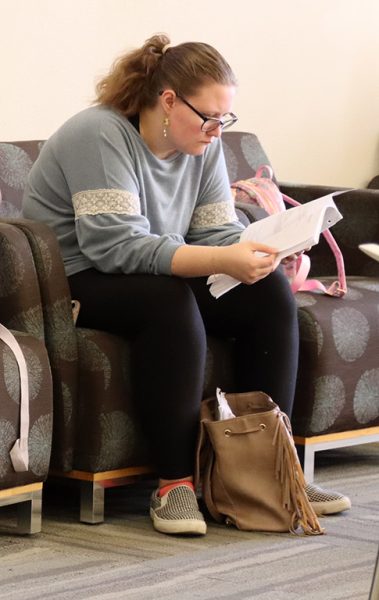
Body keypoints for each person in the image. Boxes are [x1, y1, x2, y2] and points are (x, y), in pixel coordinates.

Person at [23, 33, 351, 536]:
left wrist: (263, 250)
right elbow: (116, 248)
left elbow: (216, 231)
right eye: (209, 118)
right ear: (169, 100)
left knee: (266, 295)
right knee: (168, 303)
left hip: (150, 267)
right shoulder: (100, 134)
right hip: (78, 278)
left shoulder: (201, 144)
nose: (218, 132)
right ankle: (174, 485)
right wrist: (224, 257)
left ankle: (269, 472)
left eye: (226, 120)